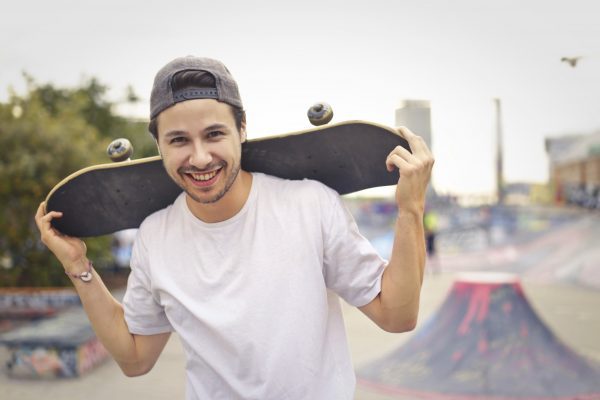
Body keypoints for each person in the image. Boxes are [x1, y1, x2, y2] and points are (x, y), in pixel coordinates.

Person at [35, 56, 434, 399]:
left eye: (214, 134)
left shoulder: (310, 205)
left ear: (242, 129)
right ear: (159, 146)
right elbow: (135, 359)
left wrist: (410, 209)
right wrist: (79, 268)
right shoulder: (155, 237)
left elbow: (397, 316)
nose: (200, 157)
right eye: (179, 141)